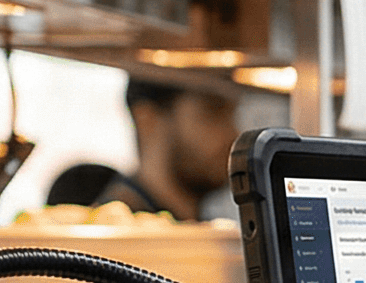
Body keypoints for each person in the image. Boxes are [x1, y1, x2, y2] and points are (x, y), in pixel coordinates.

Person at [45, 78, 242, 219]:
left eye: (233, 115)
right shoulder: (114, 242)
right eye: (213, 112)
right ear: (147, 119)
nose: (233, 134)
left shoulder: (209, 231)